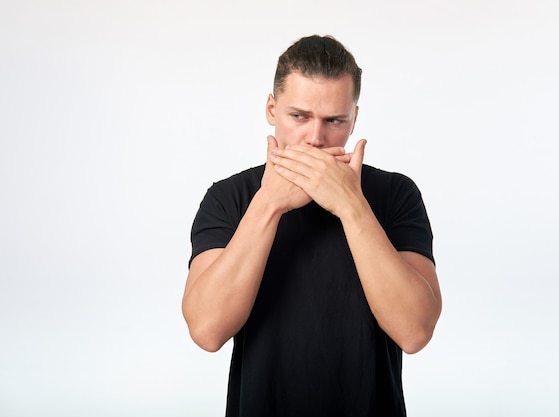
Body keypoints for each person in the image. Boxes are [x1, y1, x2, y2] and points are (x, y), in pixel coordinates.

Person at [182, 34, 442, 417]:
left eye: (334, 120)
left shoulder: (395, 193)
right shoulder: (229, 197)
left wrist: (351, 206)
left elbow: (415, 332)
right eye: (299, 116)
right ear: (272, 109)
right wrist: (268, 204)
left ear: (354, 118)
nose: (316, 138)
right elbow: (206, 331)